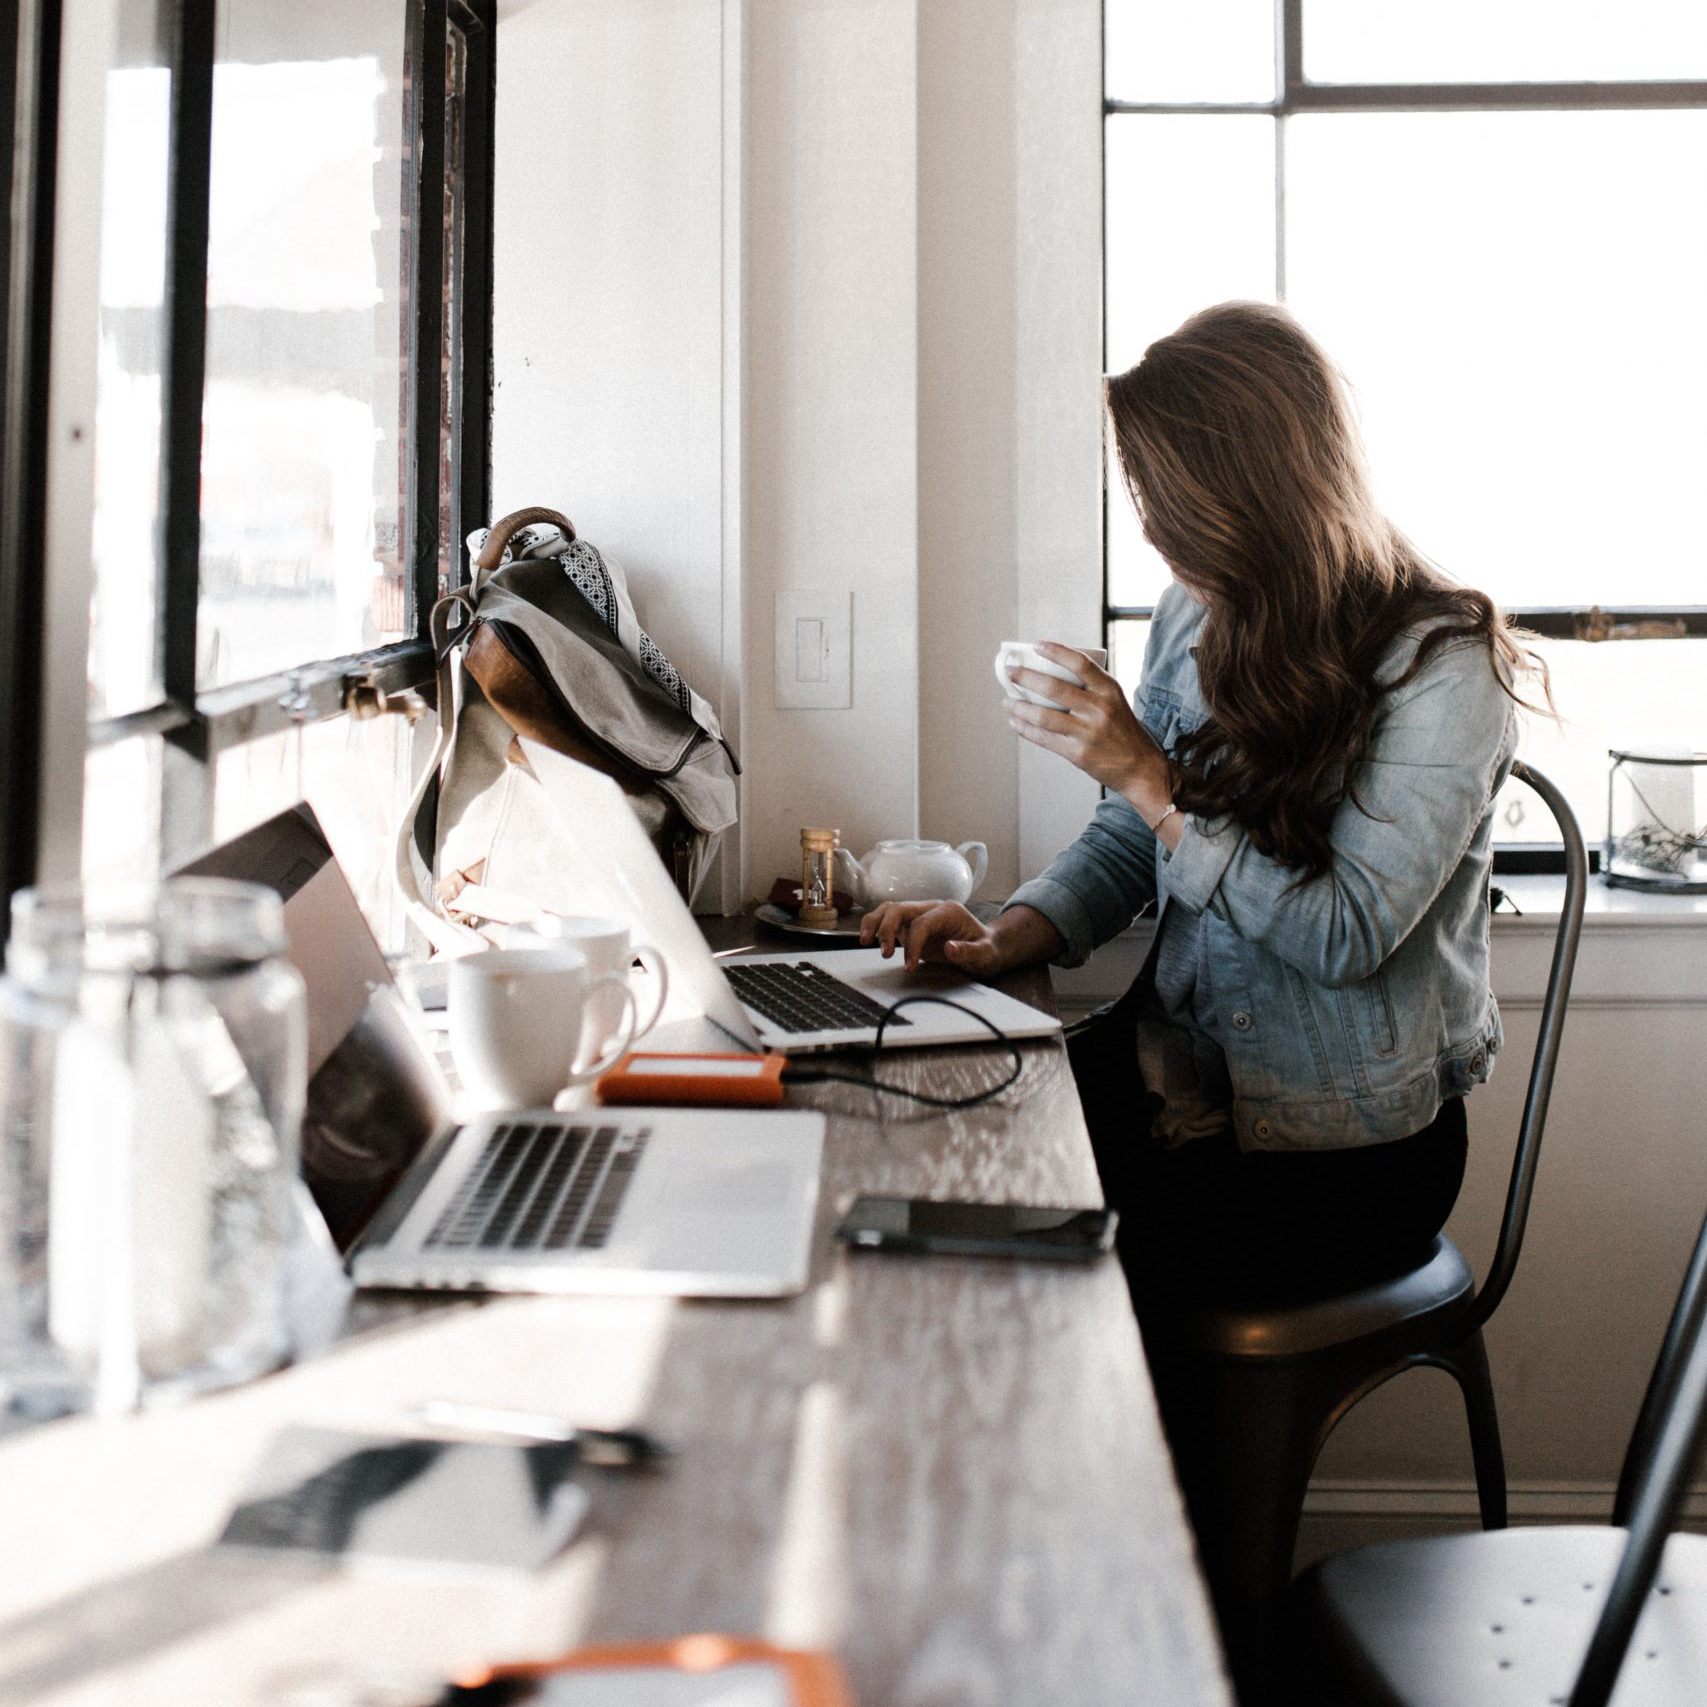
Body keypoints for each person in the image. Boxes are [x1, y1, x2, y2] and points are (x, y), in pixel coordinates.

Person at [860, 299, 1546, 1311]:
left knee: (1007, 1265)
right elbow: (1132, 838)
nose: (1153, 529)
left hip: (1337, 1158)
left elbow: (1344, 935)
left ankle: (1118, 1468)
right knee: (915, 1156)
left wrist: (1147, 772)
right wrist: (1010, 936)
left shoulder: (1445, 670)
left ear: (1258, 492)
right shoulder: (1198, 611)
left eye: (1169, 500)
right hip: (1176, 1089)